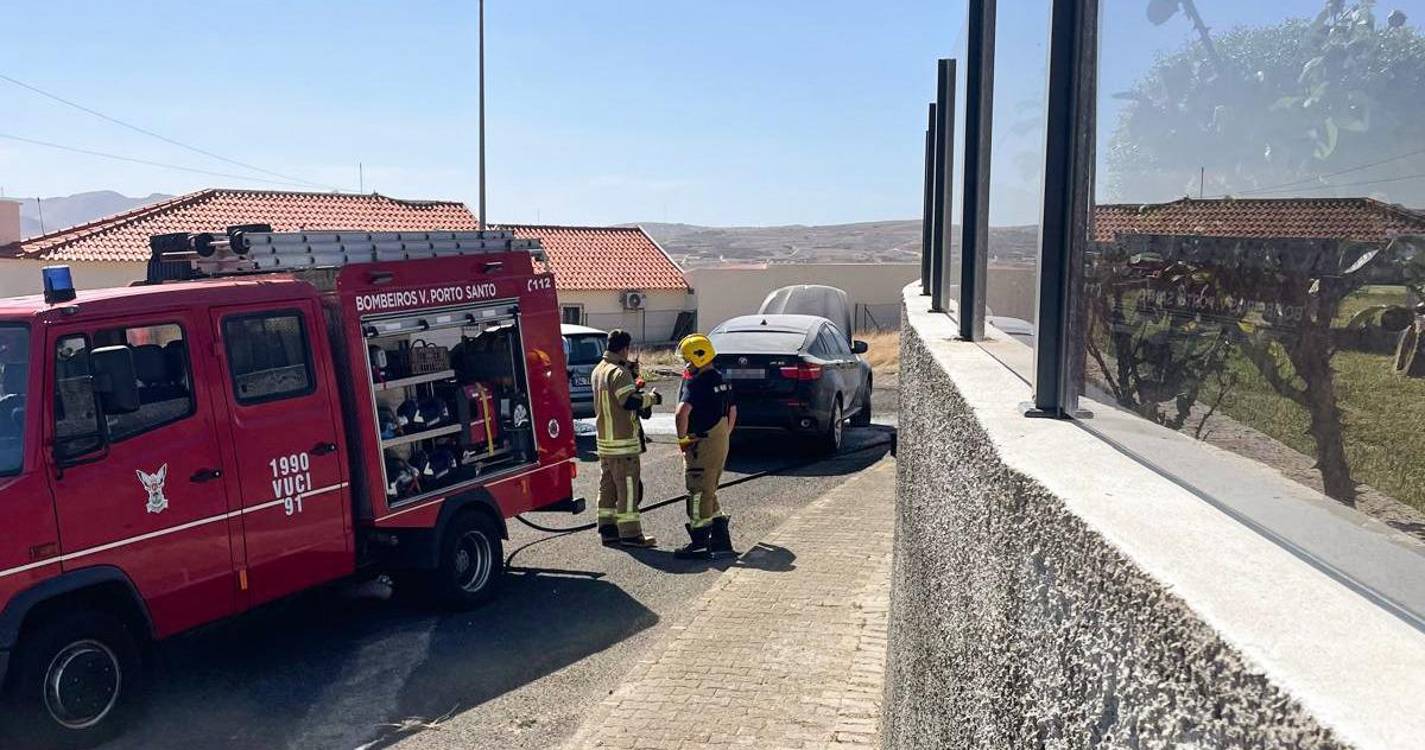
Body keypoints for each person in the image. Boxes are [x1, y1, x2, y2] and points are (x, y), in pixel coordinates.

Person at [591, 330, 660, 547]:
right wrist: (652, 399)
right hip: (623, 444)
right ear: (624, 349)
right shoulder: (619, 373)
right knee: (628, 489)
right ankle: (631, 534)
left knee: (607, 488)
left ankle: (608, 530)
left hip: (605, 443)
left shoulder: (599, 370)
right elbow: (629, 401)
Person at [673, 333, 737, 559]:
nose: (687, 365)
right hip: (719, 441)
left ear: (698, 358)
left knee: (698, 492)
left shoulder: (697, 383)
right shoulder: (721, 379)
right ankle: (721, 541)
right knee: (710, 490)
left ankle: (700, 543)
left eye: (688, 360)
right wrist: (723, 437)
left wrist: (682, 440)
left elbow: (682, 413)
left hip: (701, 443)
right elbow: (732, 411)